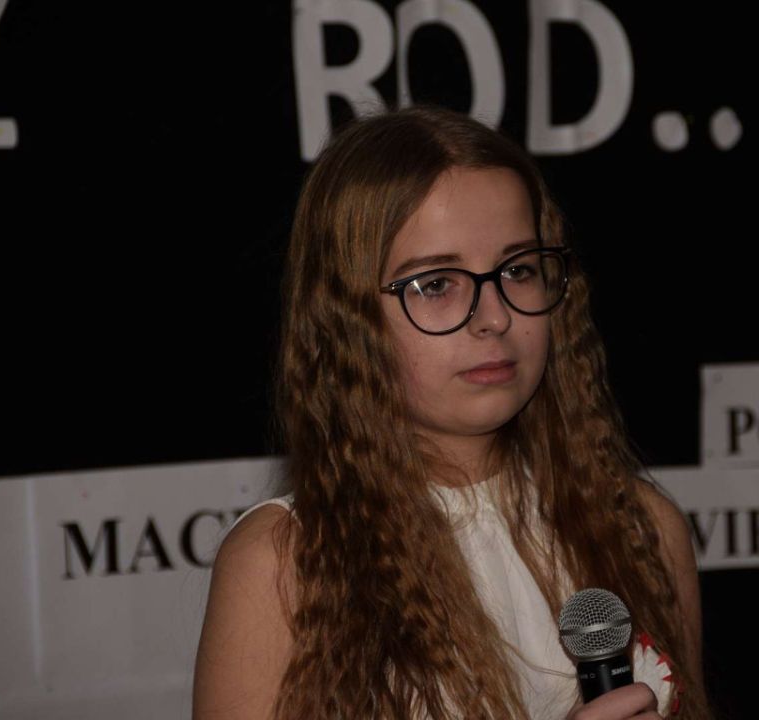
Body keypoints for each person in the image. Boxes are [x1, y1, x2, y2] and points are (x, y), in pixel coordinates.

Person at [192, 104, 711, 719]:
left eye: (518, 270)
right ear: (346, 318)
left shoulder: (643, 528)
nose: (495, 316)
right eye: (436, 283)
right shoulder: (284, 562)